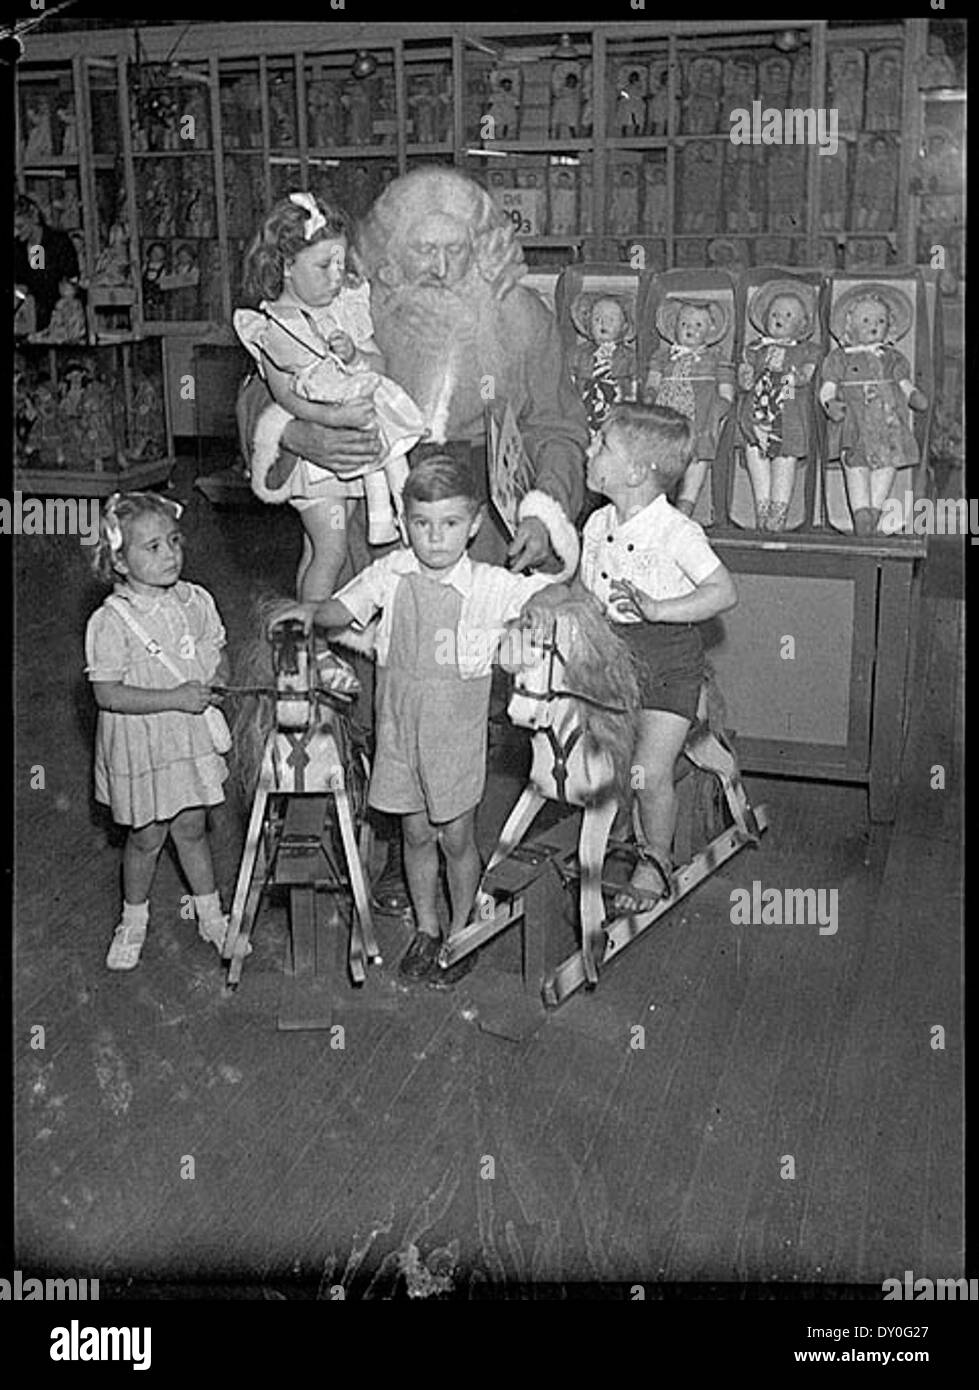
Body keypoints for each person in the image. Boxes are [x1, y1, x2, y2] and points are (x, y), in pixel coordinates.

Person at [272, 455, 576, 986]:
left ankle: (463, 929)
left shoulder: (487, 583)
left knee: (456, 839)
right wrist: (308, 613)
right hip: (399, 733)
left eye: (451, 524)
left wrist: (544, 603)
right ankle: (427, 927)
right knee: (414, 835)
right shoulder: (392, 572)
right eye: (421, 524)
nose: (435, 538)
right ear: (405, 520)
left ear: (475, 524)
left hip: (454, 739)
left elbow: (556, 593)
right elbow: (343, 609)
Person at [578, 404, 737, 912]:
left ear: (635, 473)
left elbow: (722, 591)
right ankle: (616, 826)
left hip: (670, 664)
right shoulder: (597, 522)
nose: (589, 449)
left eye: (601, 444)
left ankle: (655, 860)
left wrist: (660, 608)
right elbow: (587, 594)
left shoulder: (675, 531)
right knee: (605, 763)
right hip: (613, 661)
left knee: (648, 768)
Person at [234, 191, 426, 594]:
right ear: (286, 265)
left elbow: (379, 365)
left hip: (351, 447)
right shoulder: (276, 326)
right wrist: (333, 418)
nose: (337, 275)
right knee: (331, 550)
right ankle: (312, 642)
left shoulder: (346, 307)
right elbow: (284, 397)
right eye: (324, 265)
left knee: (319, 548)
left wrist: (356, 354)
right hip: (316, 461)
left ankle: (310, 636)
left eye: (340, 263)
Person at [85, 492, 233, 971]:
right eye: (152, 547)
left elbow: (217, 649)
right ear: (119, 561)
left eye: (173, 540)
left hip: (186, 738)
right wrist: (175, 698)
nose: (169, 554)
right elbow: (108, 694)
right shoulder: (111, 622)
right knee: (147, 836)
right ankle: (133, 919)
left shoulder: (195, 601)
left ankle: (211, 915)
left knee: (191, 826)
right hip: (143, 743)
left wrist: (219, 680)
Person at [14, 194, 80, 333]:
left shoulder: (59, 243)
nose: (16, 233)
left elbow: (71, 281)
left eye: (20, 226)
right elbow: (23, 285)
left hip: (61, 316)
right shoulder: (18, 249)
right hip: (30, 317)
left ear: (33, 217)